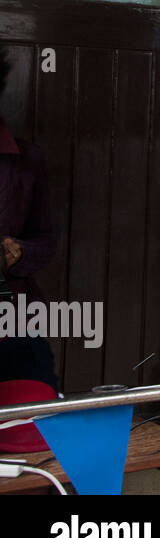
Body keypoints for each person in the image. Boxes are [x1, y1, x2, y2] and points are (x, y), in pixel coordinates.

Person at [0, 49, 59, 393]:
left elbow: (45, 241)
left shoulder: (26, 159)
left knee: (36, 415)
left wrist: (19, 252)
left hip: (14, 320)